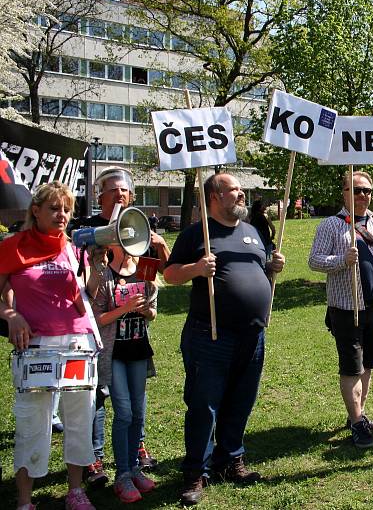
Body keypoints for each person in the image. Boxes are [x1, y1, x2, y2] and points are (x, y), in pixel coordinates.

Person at [163, 173, 286, 505]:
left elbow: (260, 269)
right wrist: (196, 269)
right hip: (210, 335)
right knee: (204, 406)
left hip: (252, 335)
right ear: (215, 196)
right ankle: (195, 474)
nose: (242, 194)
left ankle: (230, 460)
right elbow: (169, 274)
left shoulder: (253, 232)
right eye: (235, 189)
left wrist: (273, 266)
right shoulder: (196, 234)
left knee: (241, 400)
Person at [0, 182, 98, 510]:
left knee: (79, 418)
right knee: (32, 422)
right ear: (35, 210)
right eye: (55, 208)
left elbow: (88, 294)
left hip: (77, 341)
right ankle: (25, 501)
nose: (62, 215)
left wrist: (96, 264)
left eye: (67, 209)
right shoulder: (13, 246)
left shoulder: (72, 248)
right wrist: (10, 313)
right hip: (37, 345)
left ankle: (75, 491)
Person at [81, 167, 170, 486]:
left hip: (137, 346)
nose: (120, 195)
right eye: (112, 190)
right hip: (108, 346)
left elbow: (156, 299)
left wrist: (145, 309)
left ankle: (132, 464)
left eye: (125, 191)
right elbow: (94, 308)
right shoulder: (95, 246)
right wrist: (98, 268)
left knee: (136, 411)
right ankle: (108, 465)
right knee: (116, 407)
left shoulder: (141, 255)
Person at [309, 171, 373, 448]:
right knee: (352, 366)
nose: (362, 195)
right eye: (356, 190)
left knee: (368, 363)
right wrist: (342, 259)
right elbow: (315, 261)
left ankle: (359, 414)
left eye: (366, 191)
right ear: (344, 192)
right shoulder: (331, 225)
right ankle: (356, 423)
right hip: (346, 307)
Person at [88, 242, 158, 503]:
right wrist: (125, 309)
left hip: (139, 351)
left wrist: (142, 310)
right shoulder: (104, 273)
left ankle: (134, 470)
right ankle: (123, 476)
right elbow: (96, 319)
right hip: (114, 354)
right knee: (124, 412)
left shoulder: (146, 269)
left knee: (138, 413)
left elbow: (153, 313)